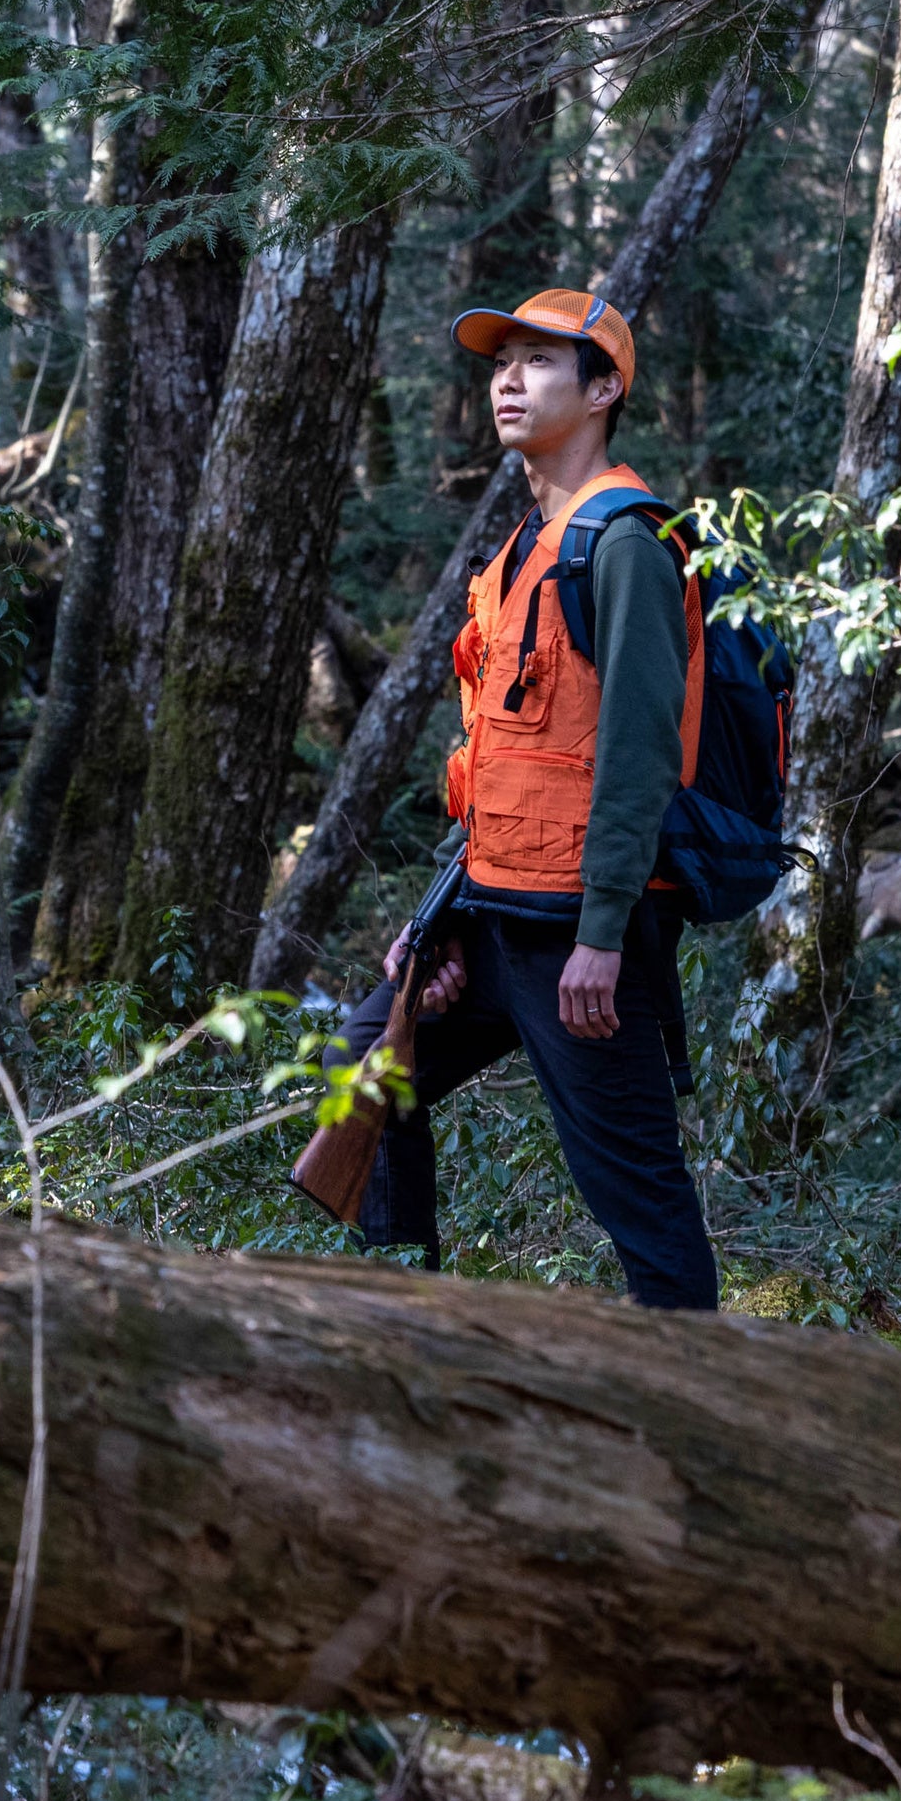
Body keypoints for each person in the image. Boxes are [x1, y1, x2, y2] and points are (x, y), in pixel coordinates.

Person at [330, 288, 724, 1311]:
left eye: (541, 361)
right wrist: (442, 921)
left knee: (631, 1187)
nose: (509, 377)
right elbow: (507, 756)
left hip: (579, 939)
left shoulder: (626, 544)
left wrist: (603, 930)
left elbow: (639, 754)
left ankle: (708, 1411)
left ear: (603, 390)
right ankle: (407, 1321)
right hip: (494, 915)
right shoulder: (521, 550)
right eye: (501, 360)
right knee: (369, 1066)